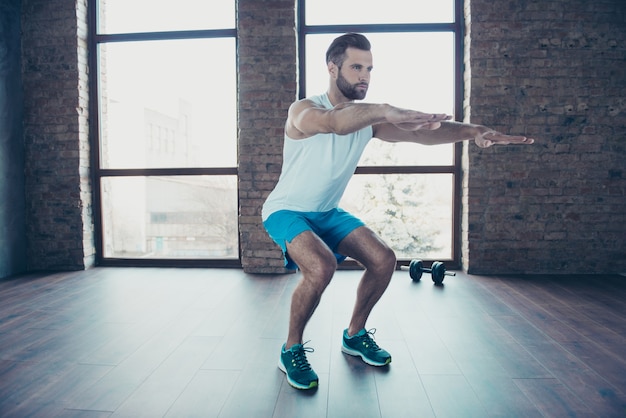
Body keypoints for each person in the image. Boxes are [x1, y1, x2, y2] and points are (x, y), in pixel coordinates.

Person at [262, 33, 534, 390]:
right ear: (332, 68)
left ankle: (354, 334)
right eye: (357, 67)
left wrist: (475, 131)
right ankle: (291, 348)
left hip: (327, 212)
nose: (365, 75)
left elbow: (424, 134)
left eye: (370, 68)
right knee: (322, 266)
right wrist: (386, 109)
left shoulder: (368, 121)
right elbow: (333, 122)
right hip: (286, 211)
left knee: (383, 259)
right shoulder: (303, 110)